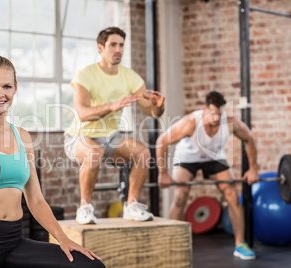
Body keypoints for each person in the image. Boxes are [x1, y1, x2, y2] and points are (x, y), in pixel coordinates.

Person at [0, 55, 105, 268]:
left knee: (90, 265)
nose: (0, 94)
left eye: (6, 86)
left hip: (13, 243)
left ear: (15, 88)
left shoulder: (23, 137)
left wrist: (63, 239)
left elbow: (35, 200)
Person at [64, 27, 165, 225]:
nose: (118, 49)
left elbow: (151, 111)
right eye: (113, 45)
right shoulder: (86, 75)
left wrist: (159, 107)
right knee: (94, 153)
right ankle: (84, 208)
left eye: (121, 45)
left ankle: (132, 206)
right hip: (80, 136)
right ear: (101, 47)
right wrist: (113, 106)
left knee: (143, 153)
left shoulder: (130, 76)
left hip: (110, 136)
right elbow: (83, 114)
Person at [156, 91, 259, 260]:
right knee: (181, 196)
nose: (216, 118)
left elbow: (250, 139)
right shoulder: (191, 122)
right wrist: (163, 173)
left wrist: (253, 168)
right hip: (187, 157)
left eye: (219, 113)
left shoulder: (230, 122)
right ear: (204, 109)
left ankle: (240, 244)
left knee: (232, 195)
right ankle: (171, 244)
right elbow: (162, 141)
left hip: (214, 156)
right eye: (212, 113)